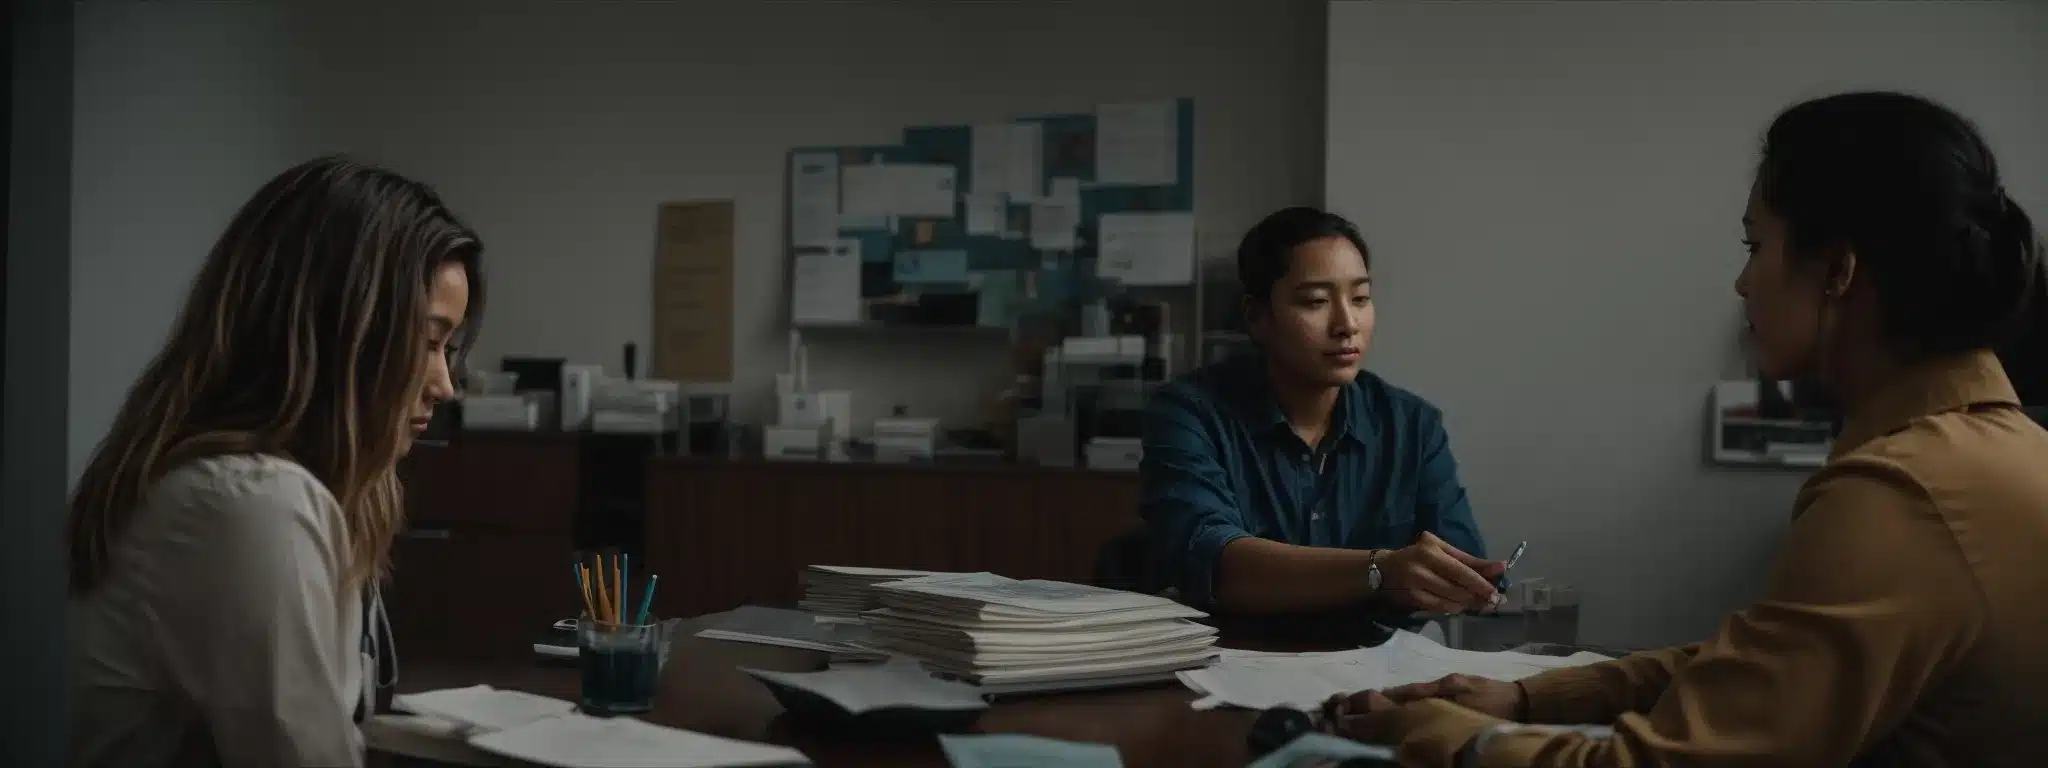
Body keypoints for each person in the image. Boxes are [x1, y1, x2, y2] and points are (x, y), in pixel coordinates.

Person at [1338, 91, 2048, 767]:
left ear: (1836, 270)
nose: (1742, 284)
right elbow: (1765, 668)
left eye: (1755, 245)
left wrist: (1451, 738)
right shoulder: (1995, 455)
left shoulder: (1903, 493)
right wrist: (1526, 697)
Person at [66, 156, 486, 767]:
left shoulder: (285, 490)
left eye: (449, 348)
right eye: (426, 341)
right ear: (335, 327)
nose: (445, 384)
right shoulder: (249, 503)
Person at [1140, 206, 1505, 627]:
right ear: (1258, 317)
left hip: (1378, 671)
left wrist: (1467, 581)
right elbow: (1214, 564)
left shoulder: (1412, 425)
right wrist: (1381, 571)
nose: (1347, 324)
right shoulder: (1190, 413)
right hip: (1234, 663)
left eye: (1361, 298)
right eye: (1315, 301)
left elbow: (1460, 565)